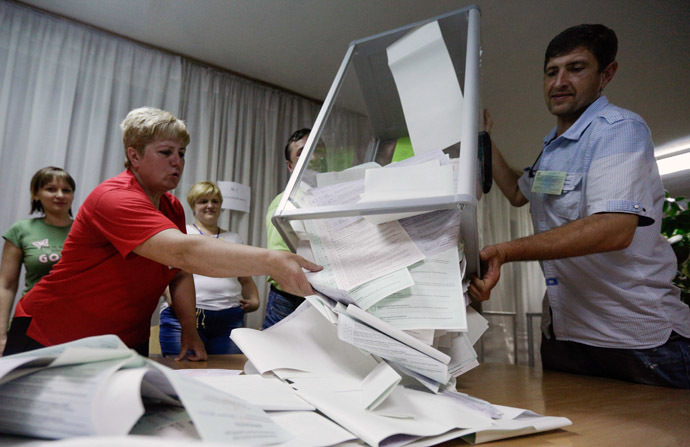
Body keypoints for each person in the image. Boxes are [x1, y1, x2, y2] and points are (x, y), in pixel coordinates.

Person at [3, 107, 321, 360]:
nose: (177, 162)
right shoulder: (114, 198)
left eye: (181, 153)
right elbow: (184, 252)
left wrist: (189, 328)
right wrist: (273, 261)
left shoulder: (171, 206)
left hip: (124, 339)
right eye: (166, 152)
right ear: (135, 155)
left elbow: (178, 273)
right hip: (56, 333)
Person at [470, 24, 690, 388]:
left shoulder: (618, 129)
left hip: (637, 340)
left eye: (576, 68)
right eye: (551, 71)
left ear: (607, 74)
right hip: (566, 337)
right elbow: (515, 191)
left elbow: (614, 227)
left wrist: (505, 252)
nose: (559, 82)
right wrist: (483, 138)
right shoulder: (552, 149)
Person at [159, 181, 260, 355]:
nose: (210, 206)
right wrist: (170, 295)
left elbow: (244, 277)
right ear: (193, 205)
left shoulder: (234, 238)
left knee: (228, 377)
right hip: (184, 318)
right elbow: (162, 272)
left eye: (215, 201)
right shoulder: (180, 234)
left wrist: (254, 300)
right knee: (184, 374)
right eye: (203, 201)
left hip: (229, 319)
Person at [0, 167, 76, 355]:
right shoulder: (21, 230)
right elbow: (6, 285)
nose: (60, 195)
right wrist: (1, 334)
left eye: (66, 190)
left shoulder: (86, 230)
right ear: (36, 194)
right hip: (31, 320)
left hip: (76, 322)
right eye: (51, 189)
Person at [262, 128, 312, 329]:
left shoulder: (331, 201)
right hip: (291, 299)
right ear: (290, 166)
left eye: (315, 149)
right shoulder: (284, 205)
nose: (311, 155)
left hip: (322, 298)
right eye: (301, 152)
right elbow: (280, 263)